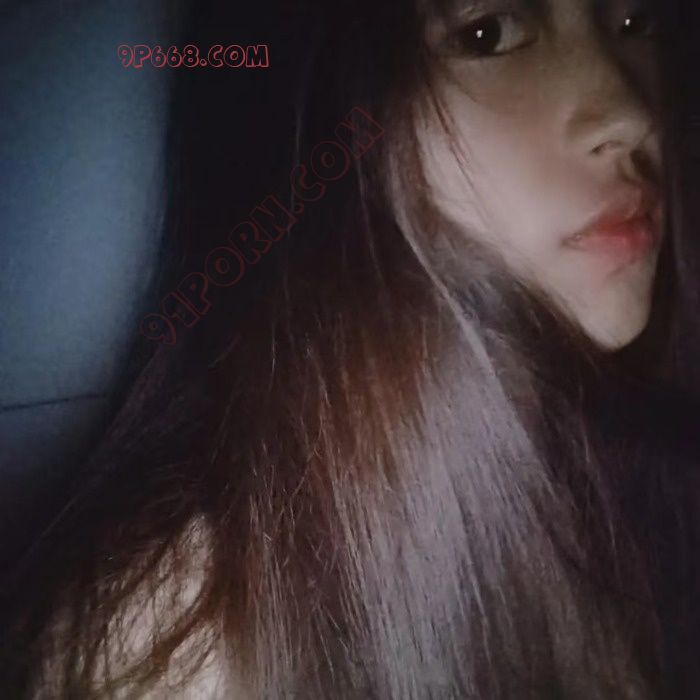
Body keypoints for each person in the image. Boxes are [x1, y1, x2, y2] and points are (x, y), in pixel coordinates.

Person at [3, 0, 700, 697]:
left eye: (633, 23)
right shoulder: (177, 640)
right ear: (322, 115)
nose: (632, 115)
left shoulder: (630, 469)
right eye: (487, 34)